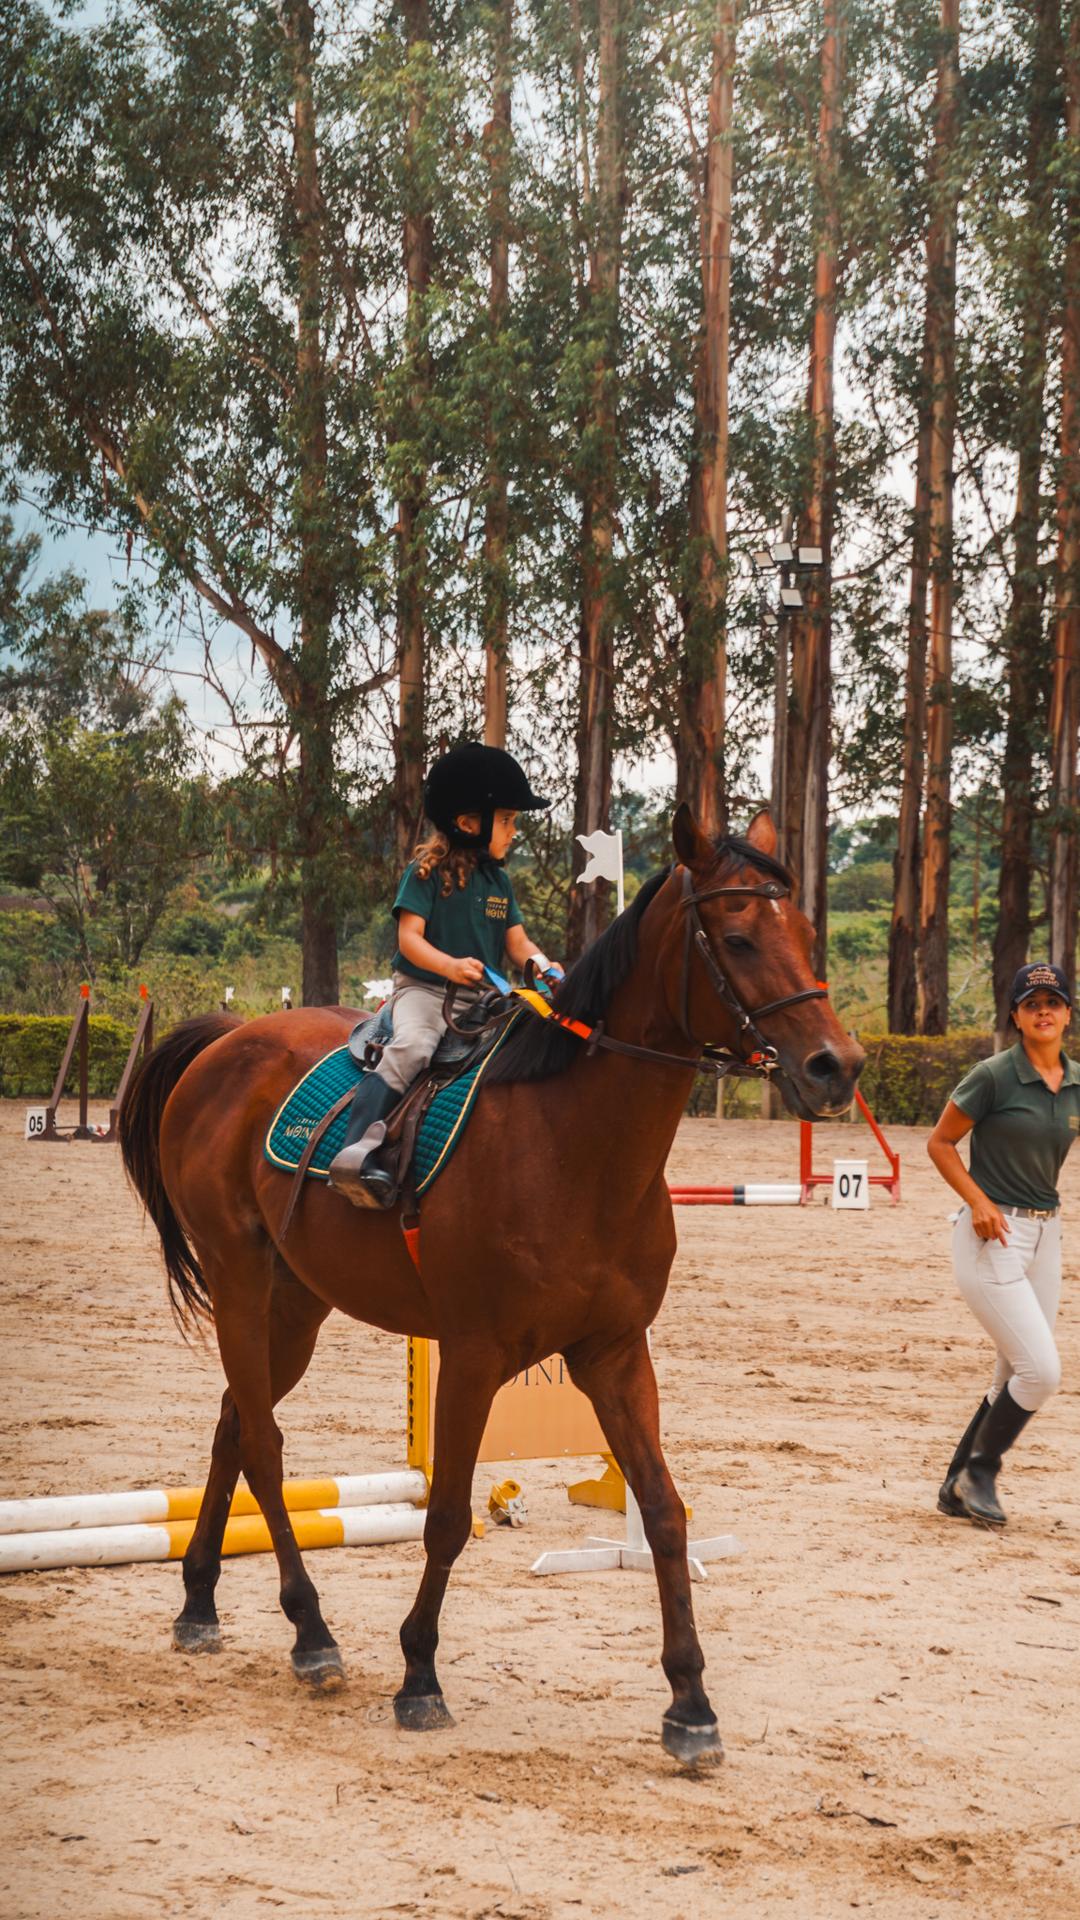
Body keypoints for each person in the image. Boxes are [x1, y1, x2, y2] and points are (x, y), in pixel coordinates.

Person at [329, 743, 562, 1208]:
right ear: (470, 822)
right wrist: (450, 965)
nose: (514, 832)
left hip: (481, 1000)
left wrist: (544, 966)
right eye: (508, 821)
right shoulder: (425, 872)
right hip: (425, 992)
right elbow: (409, 940)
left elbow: (517, 944)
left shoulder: (499, 883)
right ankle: (357, 1151)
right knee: (414, 1046)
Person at [927, 962, 1080, 1528]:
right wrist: (979, 1201)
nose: (1044, 1010)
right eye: (1032, 1001)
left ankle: (954, 1488)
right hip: (991, 1235)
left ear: (1067, 1013)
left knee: (1011, 1374)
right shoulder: (993, 1076)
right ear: (1015, 1015)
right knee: (1041, 1371)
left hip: (1048, 1235)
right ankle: (981, 1472)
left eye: (1055, 1001)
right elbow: (941, 1144)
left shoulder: (1077, 1082)